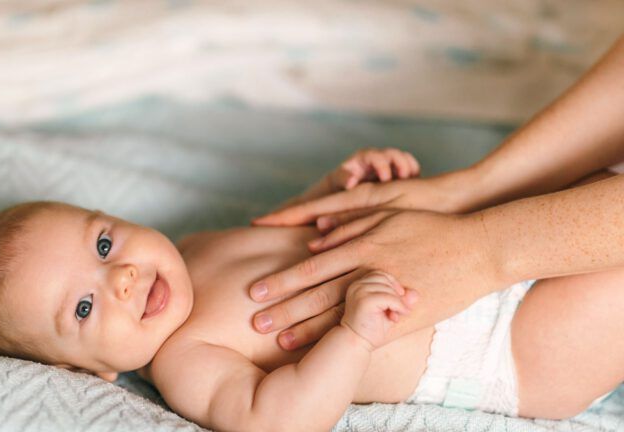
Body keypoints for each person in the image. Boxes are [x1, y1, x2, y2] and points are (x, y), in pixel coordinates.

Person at [0, 187, 623, 431]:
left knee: (599, 195)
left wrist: (349, 187)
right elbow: (280, 418)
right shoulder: (186, 364)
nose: (124, 277)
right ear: (87, 372)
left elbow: (303, 232)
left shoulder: (196, 246)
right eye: (83, 306)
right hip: (502, 347)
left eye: (104, 244)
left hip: (475, 252)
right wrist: (353, 338)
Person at [249, 34, 624, 353]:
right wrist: (475, 189)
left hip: (492, 337)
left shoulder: (190, 276)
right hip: (505, 341)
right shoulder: (191, 347)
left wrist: (480, 249)